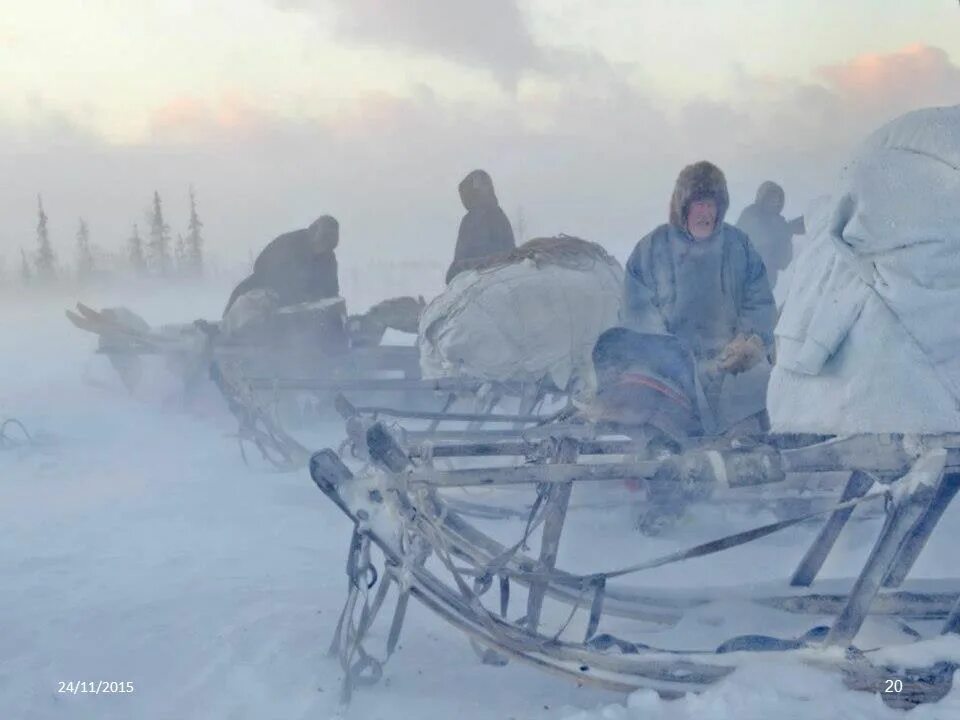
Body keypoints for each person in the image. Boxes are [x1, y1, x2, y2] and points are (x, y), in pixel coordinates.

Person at [623, 161, 776, 428]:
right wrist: (665, 352)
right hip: (670, 368)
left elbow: (759, 299)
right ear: (683, 207)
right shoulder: (651, 249)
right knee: (656, 420)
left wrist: (748, 341)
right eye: (698, 204)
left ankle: (743, 451)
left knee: (755, 390)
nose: (705, 213)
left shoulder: (738, 246)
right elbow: (637, 309)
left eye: (711, 205)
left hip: (732, 364)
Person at [223, 215, 340, 316]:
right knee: (248, 304)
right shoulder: (290, 243)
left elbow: (332, 291)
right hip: (265, 290)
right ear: (314, 233)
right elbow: (262, 265)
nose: (323, 249)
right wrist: (285, 291)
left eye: (328, 245)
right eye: (322, 241)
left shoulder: (328, 259)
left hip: (301, 310)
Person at [445, 169, 516, 284]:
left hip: (488, 280)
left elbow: (507, 255)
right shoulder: (476, 219)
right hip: (480, 281)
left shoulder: (487, 218)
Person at [735, 181, 805, 289]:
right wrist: (785, 229)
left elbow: (783, 261)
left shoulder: (779, 223)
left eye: (777, 200)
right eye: (770, 198)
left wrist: (787, 235)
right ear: (762, 198)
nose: (774, 202)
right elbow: (757, 236)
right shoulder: (751, 213)